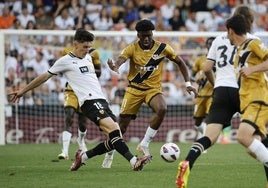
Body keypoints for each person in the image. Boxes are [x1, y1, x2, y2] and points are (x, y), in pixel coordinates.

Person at [8, 28, 151, 171]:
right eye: (84, 47)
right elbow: (44, 77)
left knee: (115, 138)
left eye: (89, 47)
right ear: (75, 44)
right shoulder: (65, 61)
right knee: (114, 130)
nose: (87, 50)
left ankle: (82, 158)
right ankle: (134, 162)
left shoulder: (88, 56)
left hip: (102, 100)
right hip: (88, 102)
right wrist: (22, 91)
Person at [175, 5, 261, 188]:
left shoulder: (218, 39)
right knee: (260, 136)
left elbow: (206, 68)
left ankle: (188, 162)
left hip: (221, 90)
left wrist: (215, 84)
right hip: (244, 91)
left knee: (210, 136)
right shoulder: (253, 40)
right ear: (248, 22)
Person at [102, 19, 198, 168]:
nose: (146, 39)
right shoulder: (131, 48)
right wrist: (115, 66)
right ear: (138, 35)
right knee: (121, 127)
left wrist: (188, 84)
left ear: (152, 33)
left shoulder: (163, 48)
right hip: (134, 90)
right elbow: (121, 60)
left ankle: (144, 143)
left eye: (149, 35)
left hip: (153, 89)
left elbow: (180, 62)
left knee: (162, 108)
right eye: (143, 36)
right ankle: (110, 152)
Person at [226, 14, 268, 187]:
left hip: (257, 99)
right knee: (255, 149)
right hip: (247, 102)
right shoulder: (239, 50)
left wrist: (253, 70)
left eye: (227, 32)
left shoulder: (254, 43)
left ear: (231, 31)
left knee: (243, 136)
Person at [57, 45, 101, 160]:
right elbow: (62, 70)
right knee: (69, 117)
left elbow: (99, 72)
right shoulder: (67, 51)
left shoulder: (94, 53)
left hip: (84, 92)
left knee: (82, 122)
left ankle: (81, 141)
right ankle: (64, 151)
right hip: (70, 90)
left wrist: (87, 66)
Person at [191, 37, 215, 140]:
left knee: (209, 118)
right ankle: (204, 135)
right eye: (209, 44)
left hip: (214, 94)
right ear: (206, 46)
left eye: (212, 44)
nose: (211, 46)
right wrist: (196, 80)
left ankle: (204, 142)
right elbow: (191, 75)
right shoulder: (200, 60)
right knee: (197, 123)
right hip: (201, 94)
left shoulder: (220, 59)